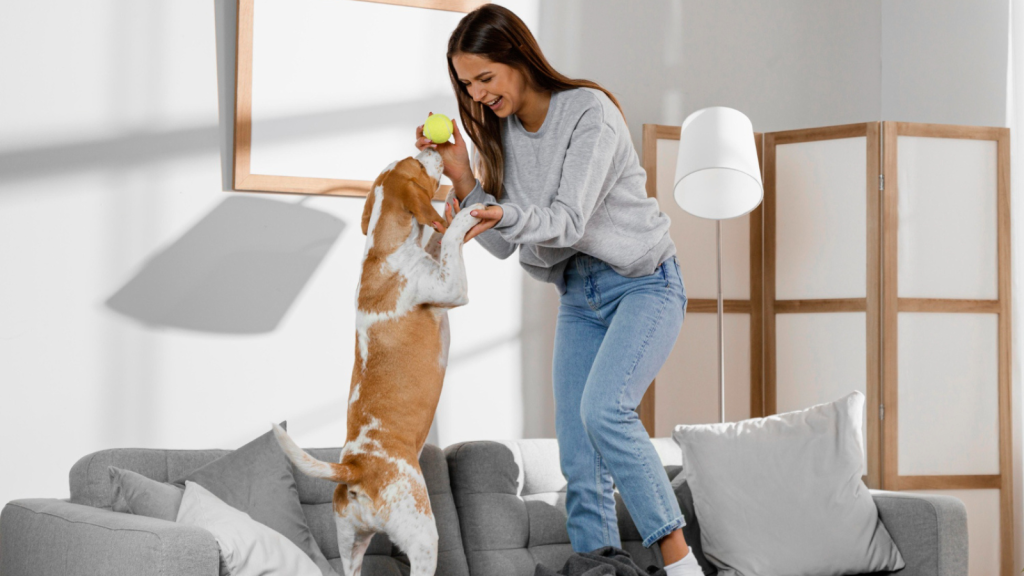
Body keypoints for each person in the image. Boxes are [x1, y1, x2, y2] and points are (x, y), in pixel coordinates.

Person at [413, 5, 700, 576]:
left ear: (518, 58)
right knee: (577, 447)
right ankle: (596, 565)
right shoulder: (501, 134)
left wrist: (497, 210)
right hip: (578, 294)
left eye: (485, 79)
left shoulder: (587, 111)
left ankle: (681, 563)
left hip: (643, 284)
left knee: (605, 410)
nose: (476, 96)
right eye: (466, 85)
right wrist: (463, 179)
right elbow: (501, 243)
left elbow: (566, 221)